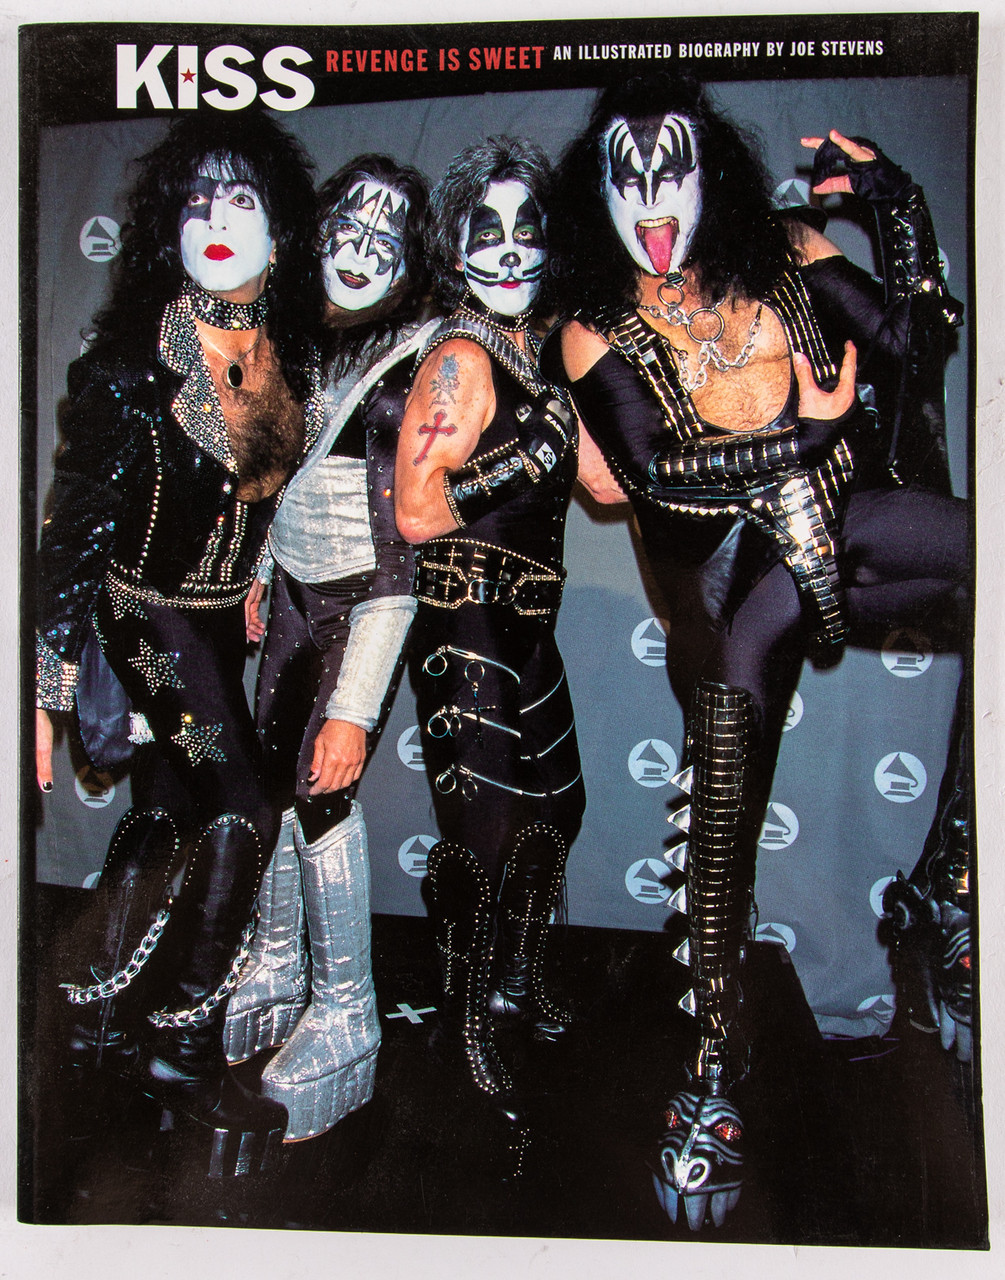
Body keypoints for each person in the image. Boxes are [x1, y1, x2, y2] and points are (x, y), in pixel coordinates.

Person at [545, 73, 968, 1228]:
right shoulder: (592, 322)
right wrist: (810, 435)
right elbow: (654, 470)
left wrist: (895, 201)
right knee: (721, 813)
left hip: (840, 520)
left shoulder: (782, 249)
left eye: (670, 165)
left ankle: (950, 876)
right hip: (729, 589)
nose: (651, 194)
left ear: (712, 170)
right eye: (625, 175)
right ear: (596, 197)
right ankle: (714, 1064)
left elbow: (912, 335)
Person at [35, 111, 322, 1176]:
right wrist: (46, 682)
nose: (215, 217)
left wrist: (255, 577)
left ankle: (95, 1018)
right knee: (243, 804)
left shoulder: (286, 355)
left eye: (240, 197)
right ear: (169, 224)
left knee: (168, 807)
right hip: (143, 613)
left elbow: (262, 494)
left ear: (279, 232)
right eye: (197, 199)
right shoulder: (130, 365)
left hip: (213, 618)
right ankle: (182, 1043)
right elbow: (74, 529)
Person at [222, 155, 438, 1142]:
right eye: (348, 226)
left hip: (364, 602)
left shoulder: (416, 358)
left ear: (411, 256)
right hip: (296, 596)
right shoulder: (306, 336)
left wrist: (353, 706)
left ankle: (347, 1011)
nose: (360, 250)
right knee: (274, 783)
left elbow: (401, 560)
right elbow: (288, 476)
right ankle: (276, 963)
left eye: (384, 237)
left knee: (323, 793)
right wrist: (263, 564)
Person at [394, 138, 593, 1135]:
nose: (510, 252)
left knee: (561, 807)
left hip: (529, 621)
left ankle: (515, 979)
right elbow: (415, 511)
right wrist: (520, 461)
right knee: (486, 830)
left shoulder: (538, 355)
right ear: (455, 246)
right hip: (464, 610)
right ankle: (463, 1022)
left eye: (528, 230)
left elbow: (605, 484)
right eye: (487, 231)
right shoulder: (460, 358)